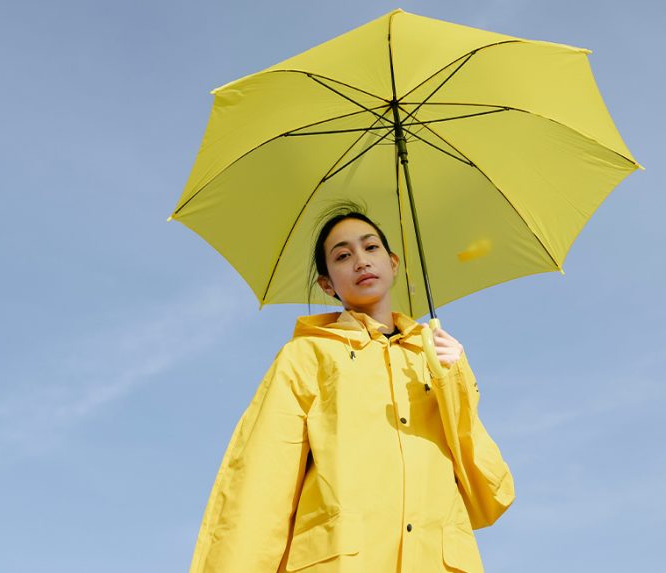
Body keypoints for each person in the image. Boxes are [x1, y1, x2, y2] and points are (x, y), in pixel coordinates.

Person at [188, 204, 515, 573]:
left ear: (393, 263)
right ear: (327, 284)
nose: (361, 261)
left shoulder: (437, 358)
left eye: (371, 247)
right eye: (343, 255)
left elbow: (490, 494)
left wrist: (453, 380)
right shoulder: (306, 357)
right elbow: (260, 485)